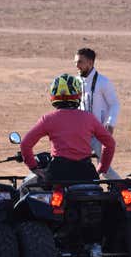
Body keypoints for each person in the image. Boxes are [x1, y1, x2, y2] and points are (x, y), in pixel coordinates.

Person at [20, 74, 116, 183]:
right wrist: (102, 168)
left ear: (53, 95)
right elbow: (110, 143)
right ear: (78, 95)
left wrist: (34, 168)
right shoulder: (89, 118)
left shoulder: (48, 119)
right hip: (85, 172)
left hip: (58, 173)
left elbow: (25, 144)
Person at [74, 47, 121, 179]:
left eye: (80, 62)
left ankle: (124, 192)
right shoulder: (76, 82)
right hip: (81, 133)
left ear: (90, 63)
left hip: (99, 133)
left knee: (105, 170)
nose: (76, 66)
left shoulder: (103, 82)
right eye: (75, 62)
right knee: (76, 166)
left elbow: (115, 104)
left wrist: (110, 123)